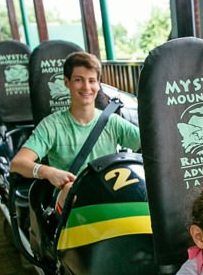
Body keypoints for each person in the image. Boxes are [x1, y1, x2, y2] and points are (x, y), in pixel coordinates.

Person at [9, 51, 140, 193]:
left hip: (109, 195)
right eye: (79, 80)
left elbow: (151, 147)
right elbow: (18, 163)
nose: (86, 87)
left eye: (91, 81)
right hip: (70, 199)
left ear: (98, 84)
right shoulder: (51, 125)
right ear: (67, 82)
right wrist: (49, 172)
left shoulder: (112, 122)